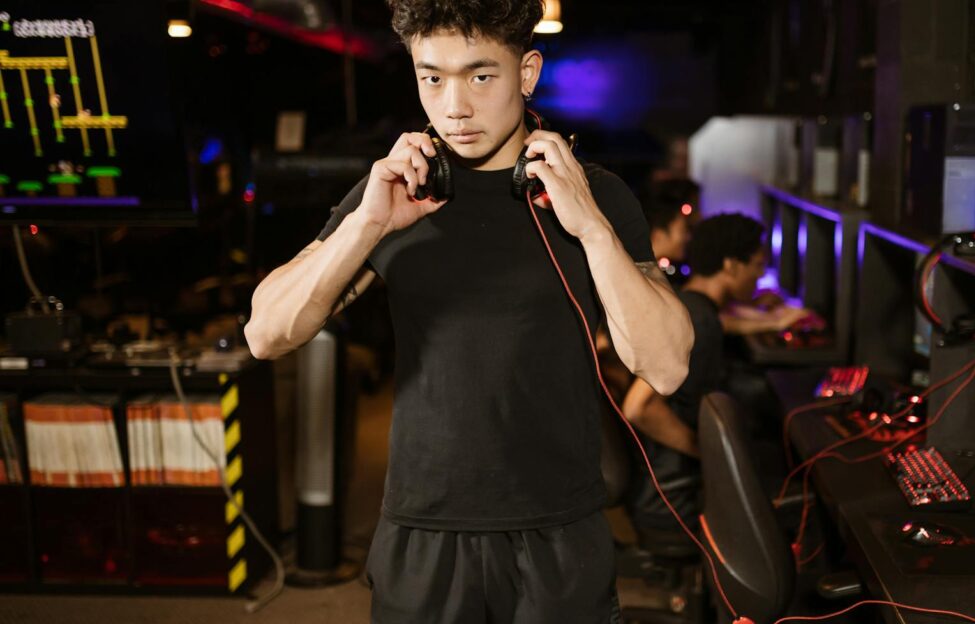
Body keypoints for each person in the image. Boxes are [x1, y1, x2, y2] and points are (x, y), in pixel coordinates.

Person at [243, 1, 694, 621]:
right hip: (423, 530)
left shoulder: (597, 196)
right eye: (433, 77)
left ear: (526, 73)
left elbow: (666, 367)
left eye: (481, 76)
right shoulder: (397, 189)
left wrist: (591, 227)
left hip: (559, 530)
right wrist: (367, 225)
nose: (454, 107)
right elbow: (266, 334)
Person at [622, 214, 766, 532]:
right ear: (731, 266)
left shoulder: (690, 307)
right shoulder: (699, 322)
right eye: (757, 264)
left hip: (663, 492)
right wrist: (710, 457)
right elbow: (638, 407)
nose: (761, 275)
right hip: (672, 501)